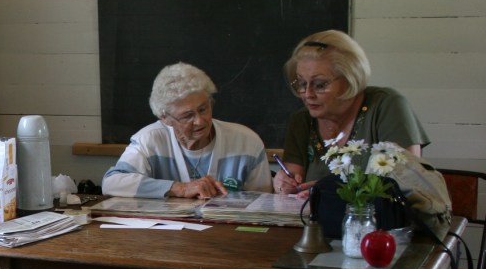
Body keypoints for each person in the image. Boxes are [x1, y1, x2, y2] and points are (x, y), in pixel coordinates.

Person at [273, 30, 430, 195]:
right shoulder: (302, 121)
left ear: (349, 79)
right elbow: (291, 184)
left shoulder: (386, 106)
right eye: (301, 83)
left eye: (319, 84)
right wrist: (284, 184)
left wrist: (333, 192)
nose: (307, 94)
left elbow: (407, 183)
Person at [102, 62, 272, 199]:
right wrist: (179, 189)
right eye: (187, 115)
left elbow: (263, 203)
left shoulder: (247, 142)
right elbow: (112, 183)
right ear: (165, 118)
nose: (199, 121)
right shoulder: (150, 140)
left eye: (203, 109)